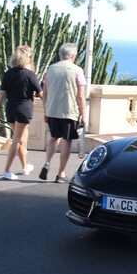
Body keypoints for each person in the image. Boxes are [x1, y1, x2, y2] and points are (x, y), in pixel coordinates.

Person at [0, 45, 42, 180]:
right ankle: (7, 170)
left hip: (11, 107)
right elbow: (40, 92)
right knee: (17, 140)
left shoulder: (8, 74)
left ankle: (25, 166)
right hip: (24, 107)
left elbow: (2, 92)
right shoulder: (29, 74)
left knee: (18, 138)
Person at [39, 43, 87, 183]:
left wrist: (46, 110)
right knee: (66, 141)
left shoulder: (51, 69)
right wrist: (84, 115)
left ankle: (47, 163)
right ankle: (61, 173)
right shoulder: (77, 70)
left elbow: (45, 92)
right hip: (69, 111)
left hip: (52, 110)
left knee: (54, 138)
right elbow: (81, 96)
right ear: (73, 55)